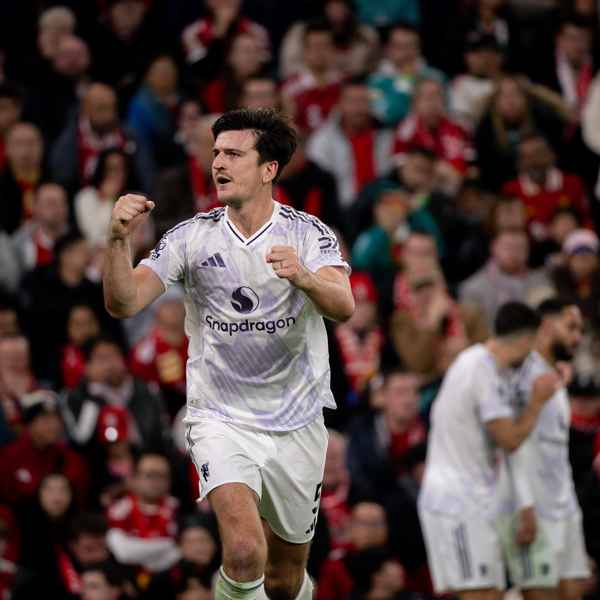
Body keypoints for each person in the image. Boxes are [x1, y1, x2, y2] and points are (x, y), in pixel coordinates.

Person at [103, 108, 354, 600]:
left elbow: (343, 306)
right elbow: (123, 302)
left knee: (284, 579)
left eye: (234, 154)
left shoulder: (307, 233)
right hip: (221, 417)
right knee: (242, 551)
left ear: (268, 169)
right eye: (216, 153)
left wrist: (303, 276)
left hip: (297, 421)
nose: (218, 162)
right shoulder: (191, 236)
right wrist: (116, 240)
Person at [418, 301, 561, 599]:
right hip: (456, 502)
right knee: (480, 593)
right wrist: (536, 402)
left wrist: (523, 503)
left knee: (491, 593)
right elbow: (509, 439)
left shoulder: (489, 368)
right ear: (525, 340)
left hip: (476, 501)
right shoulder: (478, 369)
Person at [499, 299, 589, 600]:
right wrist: (524, 504)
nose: (578, 337)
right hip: (532, 510)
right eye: (571, 327)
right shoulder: (520, 376)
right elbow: (510, 445)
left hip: (565, 508)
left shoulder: (557, 380)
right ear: (547, 326)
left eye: (581, 330)